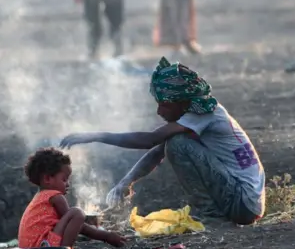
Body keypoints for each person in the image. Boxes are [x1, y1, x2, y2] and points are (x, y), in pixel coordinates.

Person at [60, 57, 265, 225]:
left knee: (178, 145)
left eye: (164, 105)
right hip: (245, 201)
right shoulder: (196, 114)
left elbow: (150, 140)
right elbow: (158, 150)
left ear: (183, 101)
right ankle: (212, 215)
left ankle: (212, 217)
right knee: (174, 143)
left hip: (242, 201)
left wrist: (97, 136)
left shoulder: (203, 114)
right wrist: (125, 183)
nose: (159, 112)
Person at [18, 148, 126, 249]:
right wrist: (107, 236)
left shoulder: (39, 198)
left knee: (73, 214)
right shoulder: (55, 196)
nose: (68, 184)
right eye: (64, 179)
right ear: (47, 179)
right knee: (77, 213)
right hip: (43, 248)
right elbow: (80, 226)